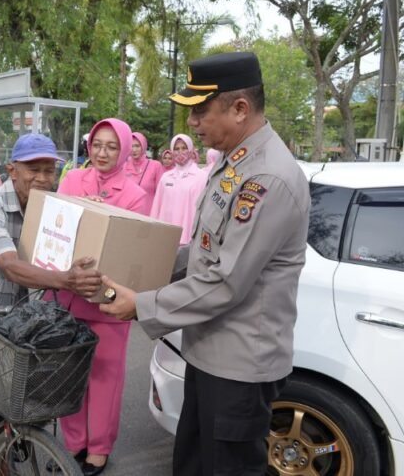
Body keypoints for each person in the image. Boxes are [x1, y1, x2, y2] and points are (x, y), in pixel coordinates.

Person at [99, 52, 310, 476]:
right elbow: (203, 252)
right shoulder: (235, 161)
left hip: (238, 367)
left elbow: (224, 282)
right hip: (210, 354)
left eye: (200, 110)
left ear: (239, 108)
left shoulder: (266, 177)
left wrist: (140, 304)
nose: (192, 123)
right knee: (193, 464)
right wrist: (133, 266)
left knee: (225, 469)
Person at [0, 133, 102, 476]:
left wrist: (94, 214)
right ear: (12, 170)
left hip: (19, 334)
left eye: (49, 170)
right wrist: (66, 280)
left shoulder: (49, 207)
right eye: (34, 169)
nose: (44, 178)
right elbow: (11, 266)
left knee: (13, 413)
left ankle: (3, 459)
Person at [52, 119, 148, 475]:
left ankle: (99, 447)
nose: (103, 152)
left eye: (111, 146)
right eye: (97, 144)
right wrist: (81, 212)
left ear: (124, 150)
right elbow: (56, 226)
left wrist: (104, 216)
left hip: (109, 300)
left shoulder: (135, 194)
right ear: (88, 146)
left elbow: (132, 249)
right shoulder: (72, 180)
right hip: (69, 293)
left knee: (105, 377)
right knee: (70, 372)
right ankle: (74, 442)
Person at [150, 134, 207, 243]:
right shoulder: (166, 177)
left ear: (190, 150)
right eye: (176, 149)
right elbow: (157, 207)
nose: (180, 152)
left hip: (189, 236)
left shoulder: (201, 177)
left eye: (184, 148)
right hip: (165, 235)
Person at [124, 132, 163, 213]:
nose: (134, 150)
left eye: (137, 146)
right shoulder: (123, 166)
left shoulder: (155, 166)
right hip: (127, 213)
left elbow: (161, 194)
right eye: (131, 146)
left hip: (149, 214)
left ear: (143, 146)